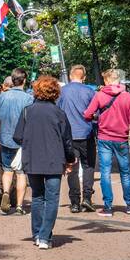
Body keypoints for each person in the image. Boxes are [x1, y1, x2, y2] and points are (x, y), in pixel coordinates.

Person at [15, 74, 74, 249]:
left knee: (37, 196)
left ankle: (37, 233)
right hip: (54, 161)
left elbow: (18, 136)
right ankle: (44, 236)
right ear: (55, 92)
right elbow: (67, 141)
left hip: (32, 159)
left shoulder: (27, 111)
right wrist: (70, 159)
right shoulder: (59, 113)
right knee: (52, 198)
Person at [82, 68, 130, 216]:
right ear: (118, 80)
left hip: (104, 138)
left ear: (106, 81)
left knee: (105, 172)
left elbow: (87, 114)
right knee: (125, 172)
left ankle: (108, 207)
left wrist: (95, 118)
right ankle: (129, 204)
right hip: (121, 139)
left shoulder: (99, 95)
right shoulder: (128, 97)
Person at [0, 70, 33, 215]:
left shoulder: (2, 97)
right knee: (21, 173)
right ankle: (20, 205)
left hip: (5, 138)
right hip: (22, 141)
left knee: (7, 169)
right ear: (24, 80)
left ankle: (6, 192)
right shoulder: (28, 99)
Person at [58, 64, 97, 212]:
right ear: (84, 77)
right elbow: (96, 114)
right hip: (86, 134)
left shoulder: (63, 92)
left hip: (69, 136)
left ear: (70, 76)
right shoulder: (90, 92)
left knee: (72, 169)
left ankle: (74, 202)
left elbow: (58, 113)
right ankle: (87, 197)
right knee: (88, 166)